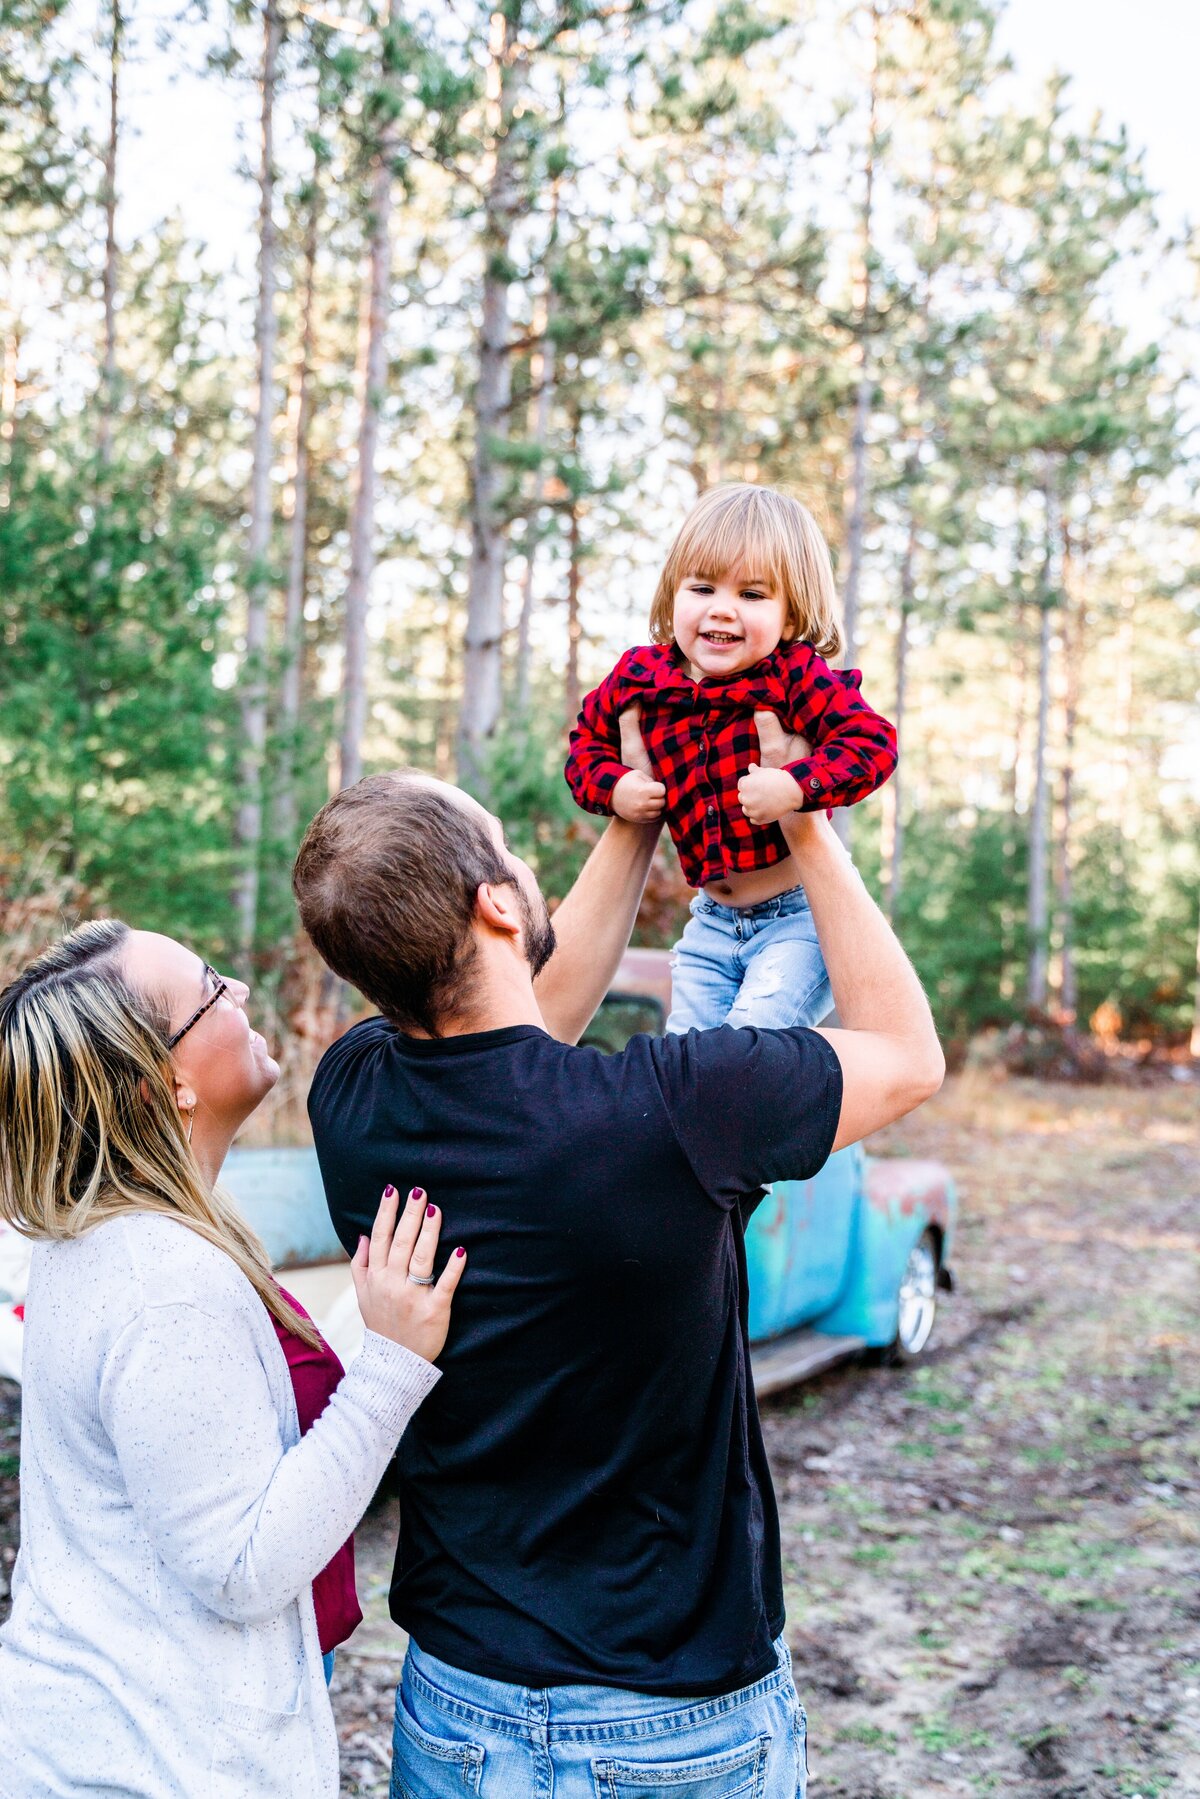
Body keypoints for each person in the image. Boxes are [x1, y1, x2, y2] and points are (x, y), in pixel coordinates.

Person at [292, 763, 943, 1799]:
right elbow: (908, 1055)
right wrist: (811, 835)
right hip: (674, 1722)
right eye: (508, 847)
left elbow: (514, 1030)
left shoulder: (353, 1096)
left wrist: (634, 827)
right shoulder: (683, 1110)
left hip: (457, 1700)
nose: (523, 859)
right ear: (496, 902)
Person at [0, 921, 465, 1799]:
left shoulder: (105, 1232)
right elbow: (240, 1562)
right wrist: (392, 1364)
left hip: (106, 1737)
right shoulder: (161, 1279)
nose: (242, 995)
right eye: (213, 988)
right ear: (163, 1084)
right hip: (153, 1766)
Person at [565, 482, 898, 1033]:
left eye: (752, 595)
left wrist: (797, 786)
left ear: (791, 616)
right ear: (675, 594)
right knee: (688, 1061)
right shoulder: (641, 678)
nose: (722, 610)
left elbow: (872, 743)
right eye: (702, 588)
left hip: (799, 919)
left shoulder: (795, 677)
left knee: (749, 1049)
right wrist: (616, 788)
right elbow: (585, 749)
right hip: (711, 924)